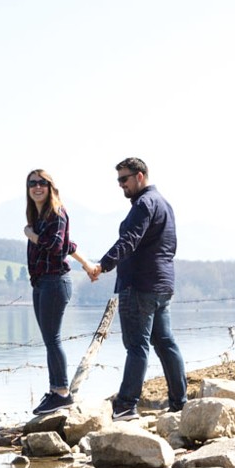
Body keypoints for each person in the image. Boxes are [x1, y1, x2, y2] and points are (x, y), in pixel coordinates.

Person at [85, 156, 185, 421]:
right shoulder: (164, 204)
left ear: (140, 176)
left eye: (124, 179)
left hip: (139, 285)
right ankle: (180, 403)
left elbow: (129, 240)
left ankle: (127, 405)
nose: (120, 185)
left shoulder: (143, 204)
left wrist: (103, 265)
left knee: (137, 346)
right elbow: (170, 246)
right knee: (165, 343)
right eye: (118, 180)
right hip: (163, 284)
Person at [23, 169, 96, 414]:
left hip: (55, 282)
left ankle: (62, 393)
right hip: (40, 283)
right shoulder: (39, 216)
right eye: (32, 183)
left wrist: (31, 235)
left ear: (50, 187)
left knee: (52, 339)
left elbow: (55, 246)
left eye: (42, 183)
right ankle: (55, 391)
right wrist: (87, 265)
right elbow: (68, 245)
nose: (37, 187)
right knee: (49, 339)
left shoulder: (57, 212)